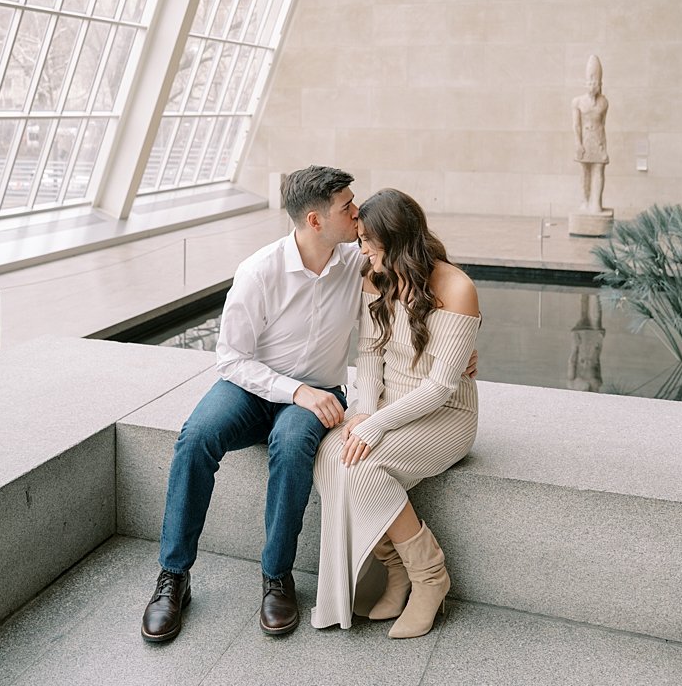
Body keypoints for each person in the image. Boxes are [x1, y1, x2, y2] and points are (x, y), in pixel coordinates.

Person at [142, 165, 362, 641]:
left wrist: (458, 339)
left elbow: (421, 276)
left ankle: (276, 576)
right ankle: (173, 577)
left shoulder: (358, 260)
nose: (356, 212)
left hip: (317, 394)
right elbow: (231, 359)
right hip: (253, 389)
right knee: (196, 436)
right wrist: (293, 390)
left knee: (292, 445)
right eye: (347, 206)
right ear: (315, 220)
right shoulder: (259, 270)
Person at [310, 188, 480, 638]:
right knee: (331, 454)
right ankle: (396, 570)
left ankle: (429, 578)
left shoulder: (457, 288)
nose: (361, 248)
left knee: (363, 469)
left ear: (397, 239)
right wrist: (363, 414)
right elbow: (368, 357)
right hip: (387, 406)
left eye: (368, 240)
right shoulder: (375, 277)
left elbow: (442, 386)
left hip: (445, 414)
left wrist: (377, 424)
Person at [573, 54, 610, 214]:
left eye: (595, 82)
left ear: (600, 84)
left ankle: (596, 202)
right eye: (590, 82)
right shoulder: (577, 101)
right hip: (585, 140)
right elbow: (576, 125)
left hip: (599, 139)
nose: (592, 85)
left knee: (598, 170)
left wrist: (603, 145)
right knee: (584, 171)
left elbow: (603, 123)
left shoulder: (604, 101)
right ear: (585, 83)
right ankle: (585, 201)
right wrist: (578, 143)